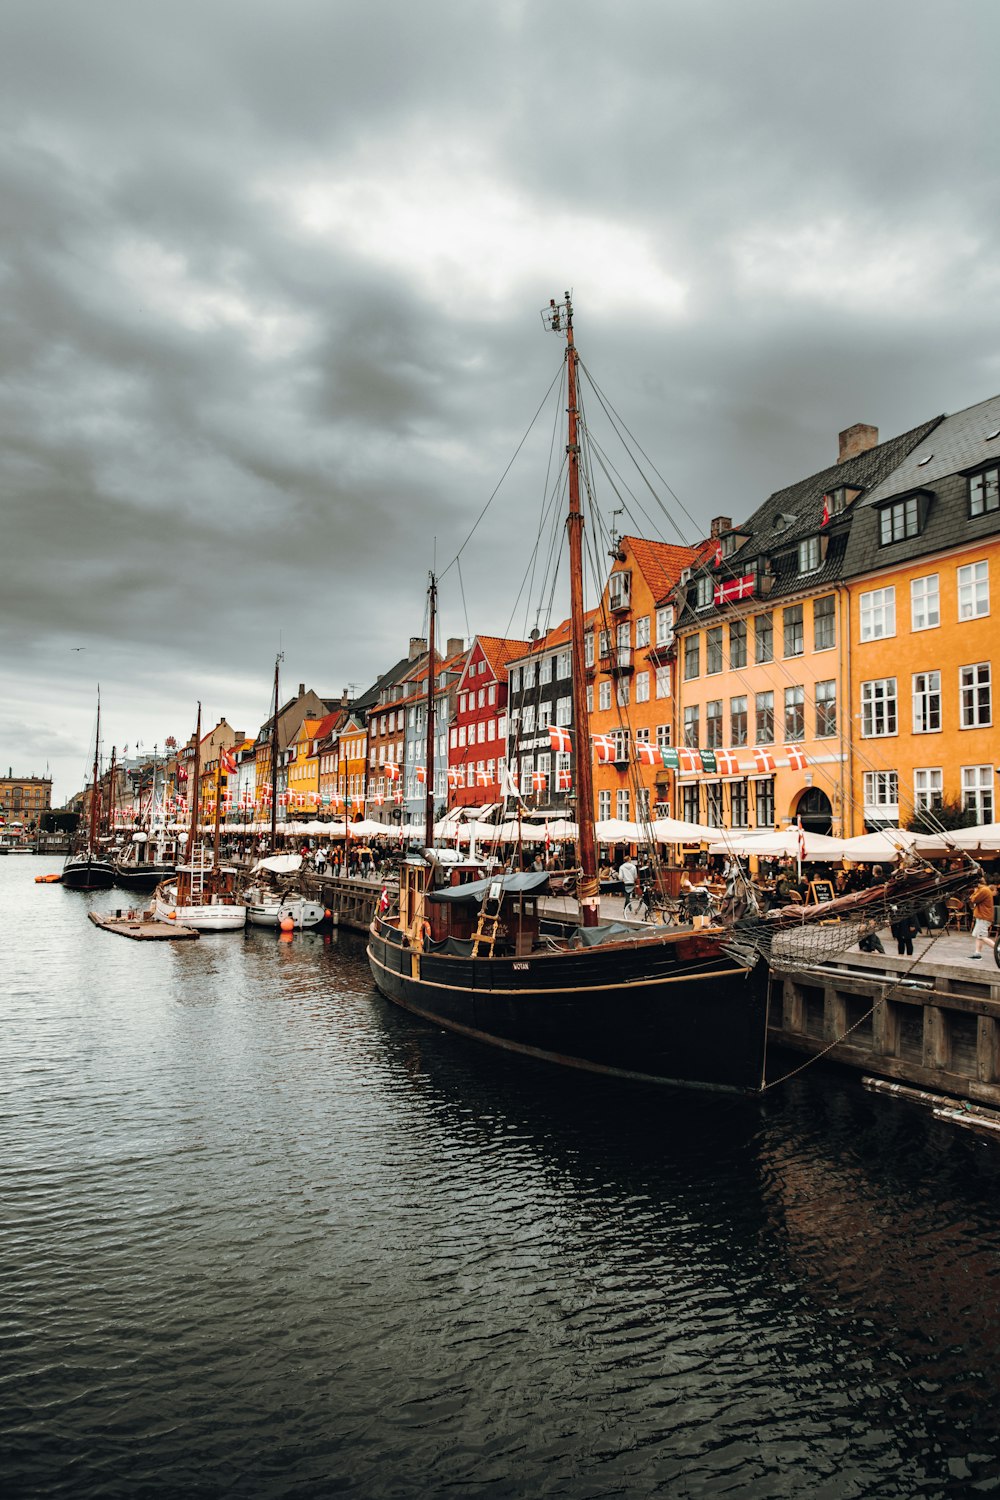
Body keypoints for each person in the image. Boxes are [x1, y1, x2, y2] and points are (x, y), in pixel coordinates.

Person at [969, 878, 995, 960]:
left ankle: (997, 948)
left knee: (982, 936)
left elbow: (973, 899)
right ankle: (977, 953)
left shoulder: (983, 890)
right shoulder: (984, 889)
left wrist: (975, 891)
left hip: (984, 916)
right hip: (982, 916)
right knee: (978, 936)